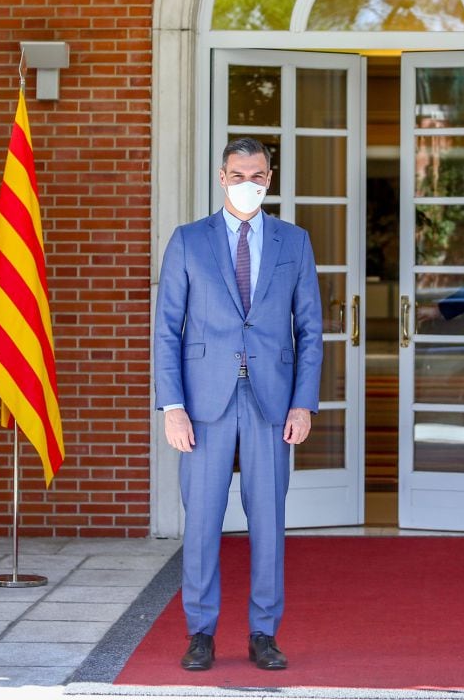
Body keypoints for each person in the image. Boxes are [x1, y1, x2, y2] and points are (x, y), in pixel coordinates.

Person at [153, 138, 323, 672]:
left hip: (271, 400)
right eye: (238, 174)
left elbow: (310, 331)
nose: (248, 183)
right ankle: (200, 632)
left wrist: (304, 404)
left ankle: (263, 632)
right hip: (204, 402)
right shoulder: (187, 241)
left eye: (258, 175)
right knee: (201, 520)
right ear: (221, 177)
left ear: (269, 179)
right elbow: (167, 331)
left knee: (268, 521)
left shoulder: (294, 242)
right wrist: (171, 405)